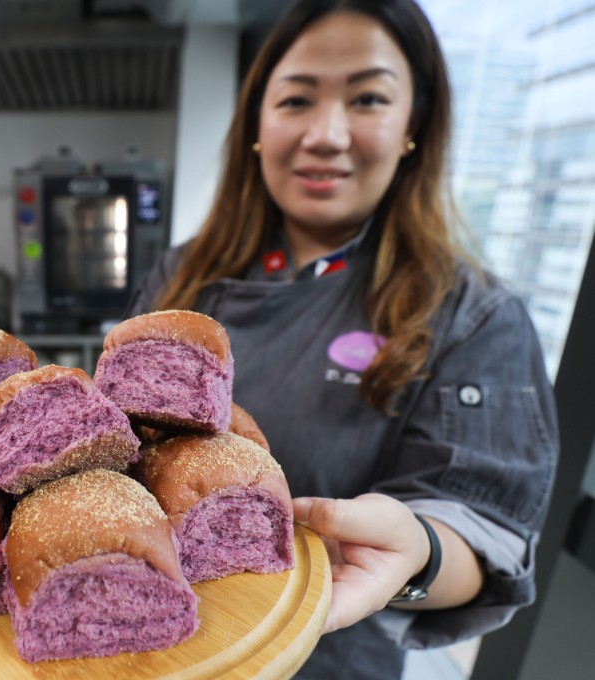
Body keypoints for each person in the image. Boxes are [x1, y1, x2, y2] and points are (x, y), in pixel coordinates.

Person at [125, 0, 558, 677]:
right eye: (297, 99)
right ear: (259, 127)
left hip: (328, 653)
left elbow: (485, 531)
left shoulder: (472, 314)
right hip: (149, 644)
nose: (326, 134)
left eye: (367, 98)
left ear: (414, 126)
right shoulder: (183, 276)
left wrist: (417, 548)